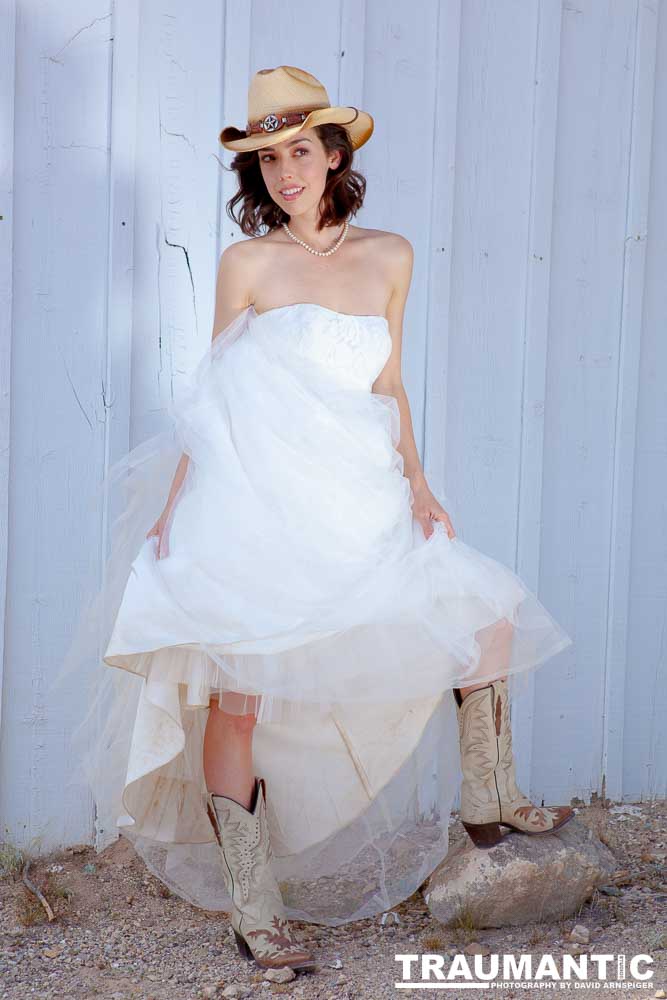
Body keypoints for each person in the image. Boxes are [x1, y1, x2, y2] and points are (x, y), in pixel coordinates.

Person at [56, 65, 574, 973]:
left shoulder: (390, 255)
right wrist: (179, 503)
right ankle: (256, 912)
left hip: (360, 494)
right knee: (240, 694)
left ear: (335, 154)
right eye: (265, 159)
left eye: (299, 150)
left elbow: (387, 383)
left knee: (485, 617)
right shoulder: (247, 264)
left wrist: (418, 481)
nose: (283, 172)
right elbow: (208, 397)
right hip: (256, 500)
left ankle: (489, 804)